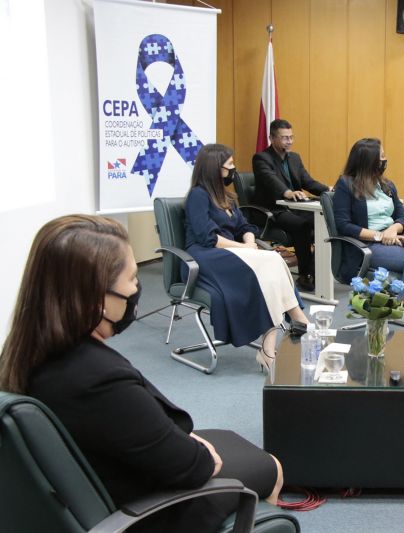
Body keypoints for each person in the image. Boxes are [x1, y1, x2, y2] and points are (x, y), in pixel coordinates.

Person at [0, 215, 283, 532]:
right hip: (145, 511)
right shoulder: (98, 379)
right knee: (271, 466)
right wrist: (196, 452)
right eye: (132, 279)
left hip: (99, 484)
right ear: (98, 297)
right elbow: (195, 467)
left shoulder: (23, 350)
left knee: (228, 441)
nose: (137, 289)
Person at [185, 143, 309, 374]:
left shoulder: (226, 196)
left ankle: (270, 347)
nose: (233, 170)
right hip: (206, 256)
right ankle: (300, 320)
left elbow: (245, 225)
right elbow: (208, 236)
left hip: (234, 252)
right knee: (270, 260)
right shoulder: (198, 196)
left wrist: (249, 240)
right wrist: (245, 247)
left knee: (270, 263)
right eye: (229, 166)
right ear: (214, 169)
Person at [332, 137, 404, 331]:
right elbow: (343, 225)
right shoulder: (346, 185)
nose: (385, 160)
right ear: (368, 161)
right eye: (382, 156)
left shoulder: (387, 185)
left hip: (395, 237)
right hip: (369, 245)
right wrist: (380, 235)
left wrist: (393, 229)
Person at [252, 119, 330, 292]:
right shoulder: (261, 158)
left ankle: (315, 272)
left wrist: (328, 190)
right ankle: (304, 275)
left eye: (291, 137)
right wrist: (287, 192)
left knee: (325, 224)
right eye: (285, 138)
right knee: (302, 226)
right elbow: (270, 180)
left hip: (295, 208)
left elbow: (307, 181)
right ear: (272, 138)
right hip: (272, 210)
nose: (289, 141)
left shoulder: (294, 158)